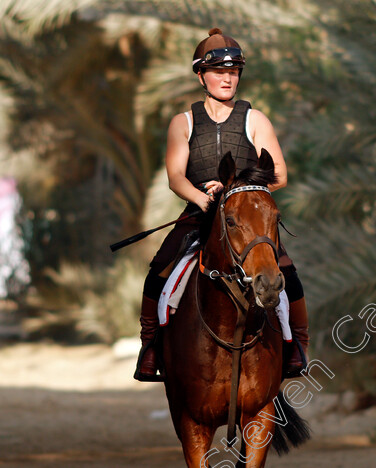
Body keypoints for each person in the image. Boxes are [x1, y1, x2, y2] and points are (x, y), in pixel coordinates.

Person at [134, 28, 309, 382]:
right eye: (219, 72)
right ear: (201, 75)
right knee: (158, 272)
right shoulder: (182, 123)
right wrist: (204, 197)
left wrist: (237, 188)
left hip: (246, 217)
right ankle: (150, 347)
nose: (227, 78)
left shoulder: (255, 119)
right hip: (200, 212)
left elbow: (280, 175)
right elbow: (175, 177)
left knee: (287, 274)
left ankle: (296, 347)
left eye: (233, 72)